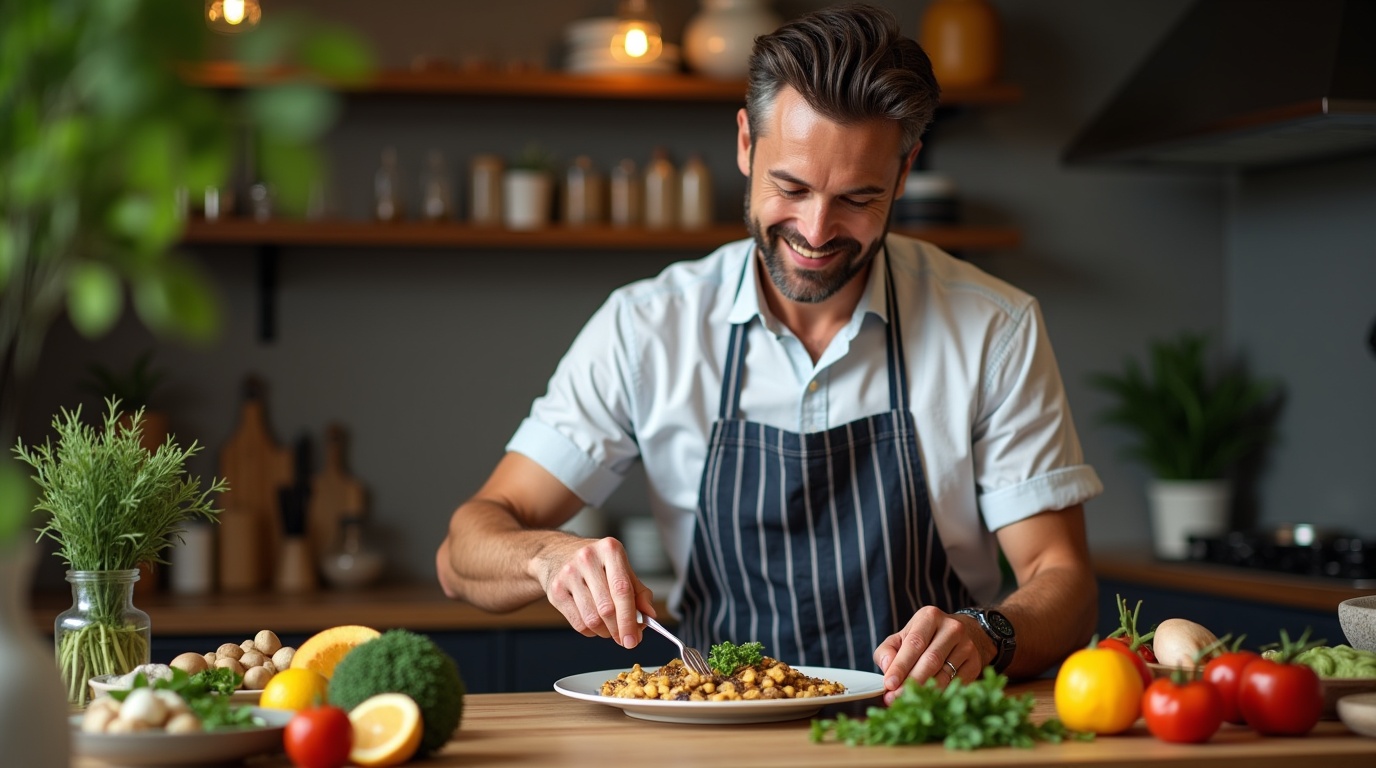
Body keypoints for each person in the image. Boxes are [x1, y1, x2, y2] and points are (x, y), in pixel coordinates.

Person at [436, 3, 1101, 704]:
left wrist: (987, 631)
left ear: (905, 173)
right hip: (713, 730)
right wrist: (547, 555)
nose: (816, 231)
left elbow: (1065, 581)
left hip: (918, 729)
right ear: (747, 143)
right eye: (791, 188)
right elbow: (463, 553)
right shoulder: (648, 326)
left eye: (857, 198)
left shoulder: (994, 327)